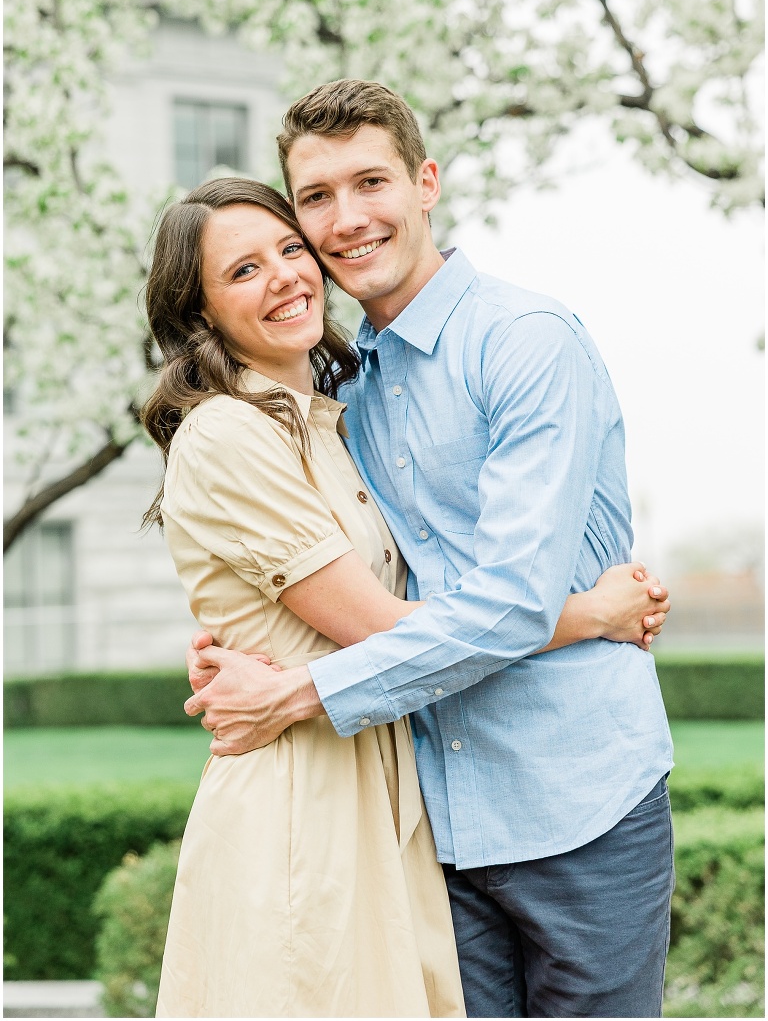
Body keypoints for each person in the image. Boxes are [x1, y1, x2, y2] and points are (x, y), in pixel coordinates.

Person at [185, 80, 676, 1018]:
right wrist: (237, 640)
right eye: (316, 199)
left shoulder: (525, 343)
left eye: (370, 182)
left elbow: (508, 604)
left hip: (578, 804)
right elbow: (347, 577)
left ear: (425, 183)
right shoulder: (342, 395)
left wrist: (297, 692)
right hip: (427, 826)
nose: (347, 219)